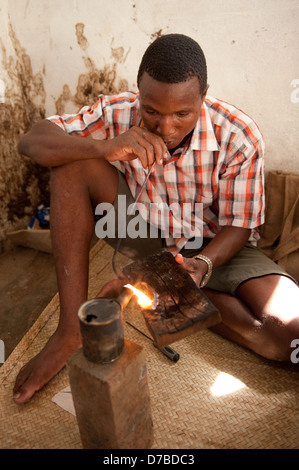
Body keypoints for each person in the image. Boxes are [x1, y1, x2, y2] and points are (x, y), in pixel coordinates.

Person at [14, 34, 299, 404]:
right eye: (152, 111)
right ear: (139, 94)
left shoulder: (237, 135)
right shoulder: (118, 111)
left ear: (204, 95)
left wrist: (202, 264)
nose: (166, 128)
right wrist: (103, 147)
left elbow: (240, 224)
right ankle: (70, 330)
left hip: (213, 246)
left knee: (288, 337)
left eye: (182, 113)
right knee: (71, 163)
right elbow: (31, 141)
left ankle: (159, 284)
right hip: (141, 235)